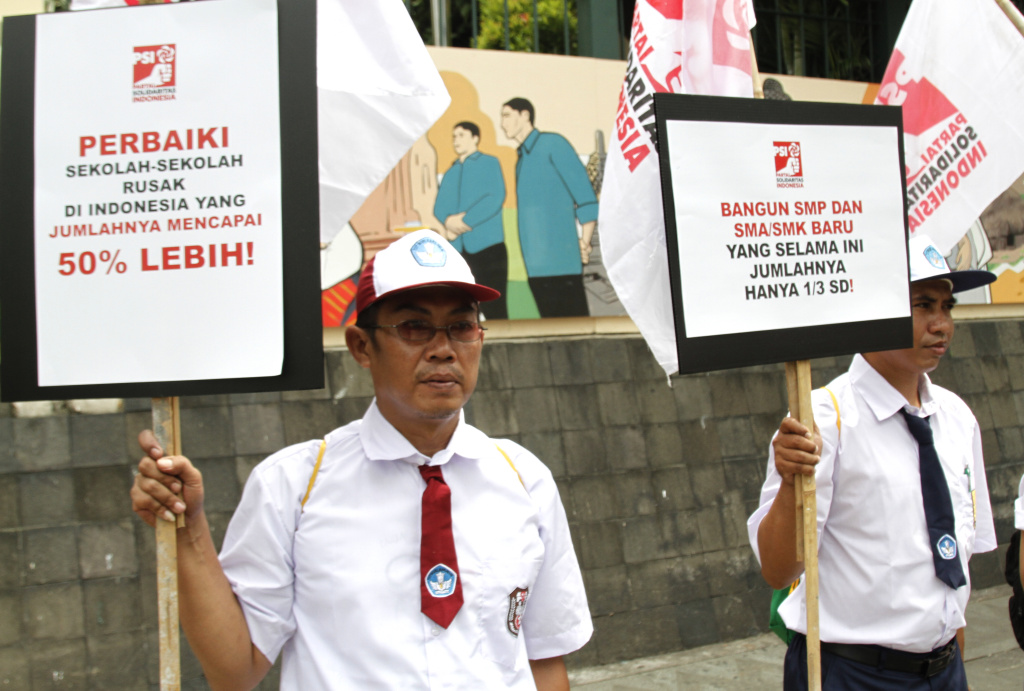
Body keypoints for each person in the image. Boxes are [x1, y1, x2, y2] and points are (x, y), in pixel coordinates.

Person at [131, 229, 592, 689]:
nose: (443, 348)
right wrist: (188, 525)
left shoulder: (524, 479)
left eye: (462, 326)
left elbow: (544, 658)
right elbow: (235, 671)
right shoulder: (292, 487)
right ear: (361, 347)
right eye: (414, 327)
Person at [748, 234, 998, 690]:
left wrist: (950, 660)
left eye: (948, 307)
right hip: (852, 672)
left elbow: (956, 568)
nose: (941, 324)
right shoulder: (823, 418)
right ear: (872, 306)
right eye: (924, 305)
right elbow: (778, 568)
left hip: (943, 670)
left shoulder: (957, 418)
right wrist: (790, 483)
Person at [500, 97, 597, 318]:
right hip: (535, 265)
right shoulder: (521, 158)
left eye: (506, 115)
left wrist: (585, 241)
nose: (502, 123)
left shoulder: (553, 144)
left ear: (525, 115)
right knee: (552, 328)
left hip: (563, 263)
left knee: (574, 326)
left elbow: (585, 197)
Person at [434, 120, 509, 319]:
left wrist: (464, 222)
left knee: (495, 308)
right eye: (454, 136)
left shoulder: (489, 162)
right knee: (463, 310)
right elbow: (439, 206)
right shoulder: (451, 171)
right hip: (459, 251)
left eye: (461, 135)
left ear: (475, 138)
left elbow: (495, 197)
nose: (456, 140)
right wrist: (449, 222)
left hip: (488, 248)